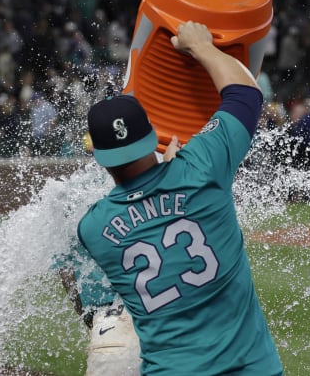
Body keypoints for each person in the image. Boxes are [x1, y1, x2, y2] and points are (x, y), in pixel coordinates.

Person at [76, 21, 284, 375]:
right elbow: (246, 94)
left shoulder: (93, 228)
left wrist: (170, 175)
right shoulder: (203, 169)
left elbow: (149, 212)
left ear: (99, 157)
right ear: (155, 131)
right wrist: (201, 46)